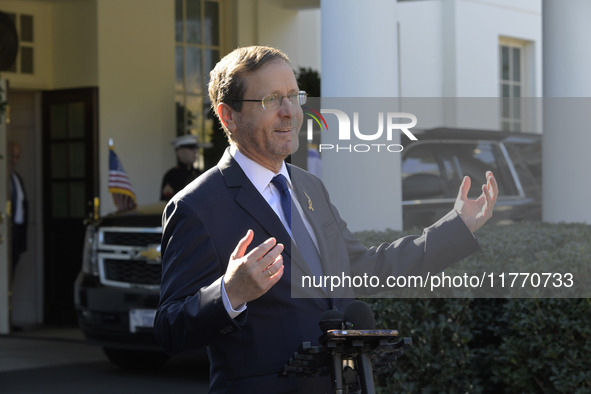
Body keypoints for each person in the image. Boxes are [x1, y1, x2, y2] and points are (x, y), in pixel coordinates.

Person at [154, 46, 498, 393]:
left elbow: (360, 269)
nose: (290, 113)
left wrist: (457, 227)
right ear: (228, 116)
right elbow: (170, 329)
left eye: (293, 96)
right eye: (271, 100)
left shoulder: (309, 186)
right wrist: (229, 294)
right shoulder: (196, 206)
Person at [159, 134, 202, 201]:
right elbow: (167, 202)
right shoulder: (172, 175)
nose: (195, 151)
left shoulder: (199, 173)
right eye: (191, 148)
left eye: (196, 148)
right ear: (179, 152)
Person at [9, 141, 28, 277]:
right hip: (8, 231)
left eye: (17, 157)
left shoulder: (16, 178)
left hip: (18, 233)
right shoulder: (5, 179)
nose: (14, 160)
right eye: (12, 156)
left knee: (12, 272)